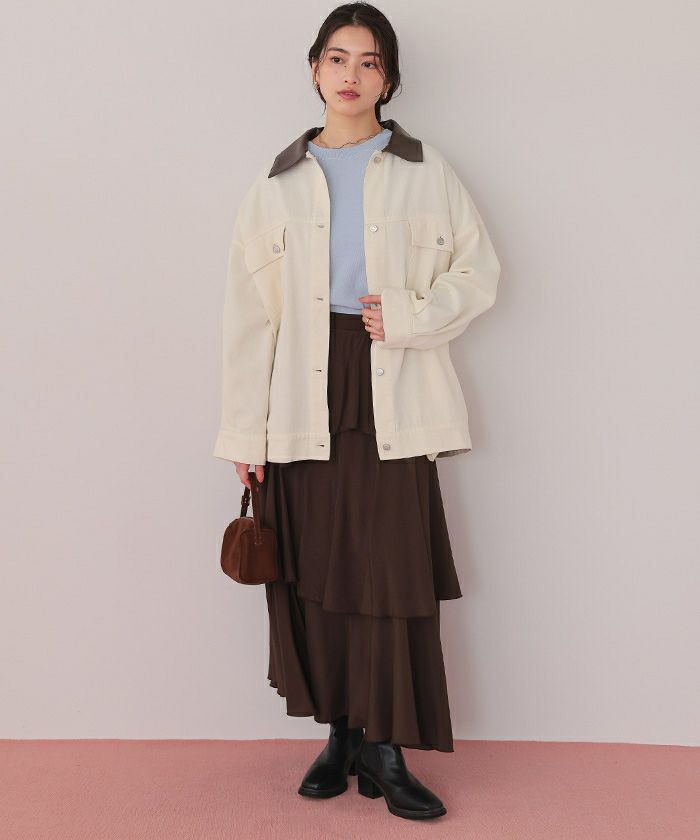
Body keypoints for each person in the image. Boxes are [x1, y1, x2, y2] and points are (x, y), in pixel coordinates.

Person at [213, 2, 500, 821]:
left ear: (388, 78)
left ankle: (386, 747)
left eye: (369, 62)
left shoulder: (425, 169)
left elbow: (479, 273)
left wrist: (406, 315)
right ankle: (339, 735)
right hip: (297, 394)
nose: (351, 75)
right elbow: (248, 319)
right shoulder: (276, 182)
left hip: (391, 380)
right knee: (315, 569)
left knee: (388, 565)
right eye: (337, 58)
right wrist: (246, 433)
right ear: (314, 69)